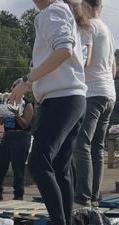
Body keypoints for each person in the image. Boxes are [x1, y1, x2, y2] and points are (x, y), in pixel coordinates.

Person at [9, 0, 89, 224]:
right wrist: (29, 82)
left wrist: (28, 80)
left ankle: (59, 221)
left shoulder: (50, 13)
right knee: (59, 167)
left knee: (38, 163)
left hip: (61, 99)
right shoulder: (63, 12)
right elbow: (63, 57)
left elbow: (63, 50)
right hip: (74, 99)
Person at [73, 0, 116, 208]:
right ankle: (95, 196)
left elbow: (85, 60)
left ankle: (83, 196)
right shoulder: (109, 31)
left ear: (85, 6)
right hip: (109, 94)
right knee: (97, 147)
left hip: (93, 93)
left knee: (82, 144)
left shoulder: (87, 26)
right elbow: (114, 70)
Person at [0, 78, 34, 201]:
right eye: (13, 86)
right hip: (8, 134)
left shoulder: (27, 103)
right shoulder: (6, 102)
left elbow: (25, 124)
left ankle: (18, 194)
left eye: (18, 86)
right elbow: (2, 121)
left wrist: (17, 114)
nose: (15, 88)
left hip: (21, 136)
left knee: (17, 167)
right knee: (1, 164)